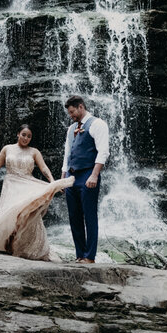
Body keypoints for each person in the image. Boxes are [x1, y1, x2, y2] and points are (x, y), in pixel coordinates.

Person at [0, 124, 74, 261]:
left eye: (29, 136)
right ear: (18, 134)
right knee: (8, 215)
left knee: (24, 215)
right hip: (11, 185)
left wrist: (52, 181)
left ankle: (19, 246)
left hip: (27, 184)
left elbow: (44, 168)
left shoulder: (34, 152)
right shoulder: (7, 149)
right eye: (23, 135)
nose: (26, 138)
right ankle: (6, 245)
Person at [61, 95, 109, 264]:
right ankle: (79, 254)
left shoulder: (98, 124)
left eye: (73, 112)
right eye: (69, 113)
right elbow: (67, 153)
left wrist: (94, 175)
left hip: (88, 174)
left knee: (89, 216)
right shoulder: (71, 128)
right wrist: (63, 178)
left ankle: (89, 256)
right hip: (72, 177)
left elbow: (103, 152)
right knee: (74, 216)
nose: (71, 115)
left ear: (81, 107)